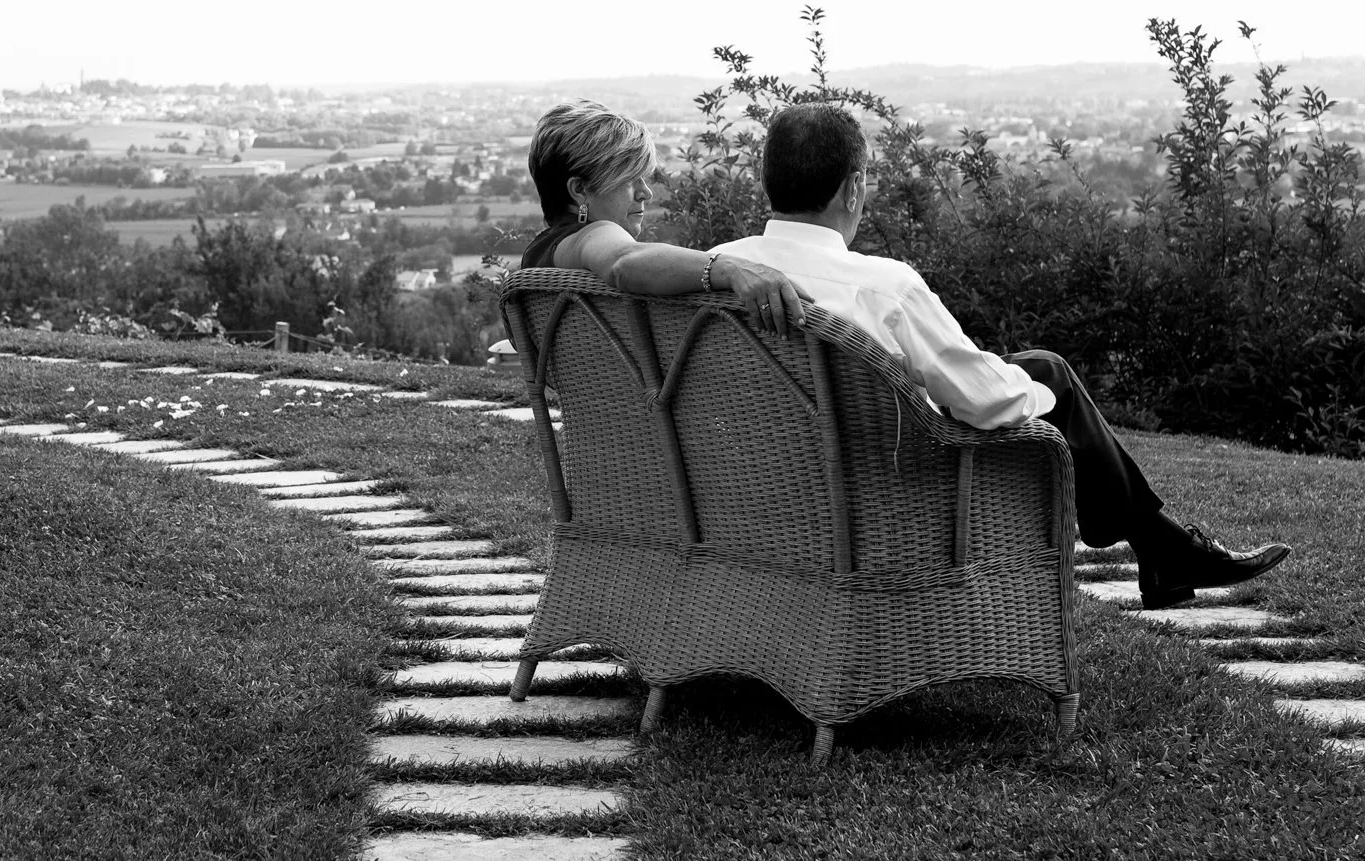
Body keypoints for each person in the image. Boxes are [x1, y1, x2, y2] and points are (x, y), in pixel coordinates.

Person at [705, 103, 1289, 608]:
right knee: (1047, 374)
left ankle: (1161, 549)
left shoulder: (716, 274)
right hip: (883, 493)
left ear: (770, 183)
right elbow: (988, 404)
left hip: (760, 492)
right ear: (853, 189)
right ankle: (1164, 548)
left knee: (1032, 366)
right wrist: (1043, 396)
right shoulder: (882, 287)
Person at [520, 100, 814, 334]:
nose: (646, 193)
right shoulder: (588, 237)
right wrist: (732, 268)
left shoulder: (541, 258)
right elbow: (623, 262)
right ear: (580, 190)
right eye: (629, 180)